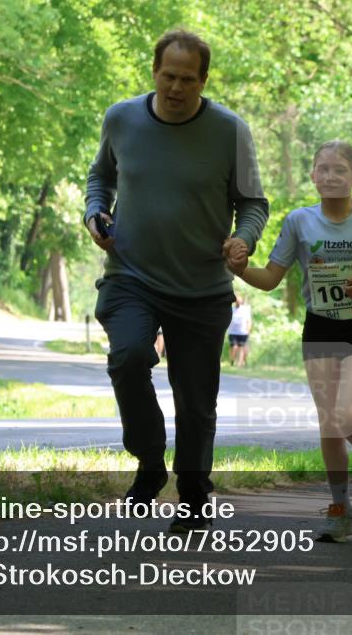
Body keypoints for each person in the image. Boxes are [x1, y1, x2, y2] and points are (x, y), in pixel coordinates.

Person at [84, 29, 269, 534]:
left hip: (202, 288)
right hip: (131, 274)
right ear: (154, 73)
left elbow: (253, 203)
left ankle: (192, 494)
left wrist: (244, 239)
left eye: (188, 79)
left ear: (203, 80)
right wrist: (95, 213)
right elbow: (100, 177)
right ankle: (148, 463)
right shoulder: (121, 118)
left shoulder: (229, 130)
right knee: (128, 357)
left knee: (196, 401)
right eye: (169, 76)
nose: (176, 87)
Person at [238, 140, 352, 542]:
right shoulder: (299, 222)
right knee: (330, 425)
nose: (331, 176)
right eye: (323, 169)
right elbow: (269, 278)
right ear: (313, 176)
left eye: (340, 170)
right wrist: (239, 268)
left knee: (348, 416)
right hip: (320, 328)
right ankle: (340, 511)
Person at [227, 294, 252, 367]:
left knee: (241, 347)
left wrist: (248, 330)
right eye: (237, 300)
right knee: (234, 347)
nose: (238, 302)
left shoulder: (245, 309)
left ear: (241, 301)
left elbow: (249, 321)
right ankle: (232, 360)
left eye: (239, 300)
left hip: (243, 332)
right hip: (232, 332)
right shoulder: (231, 308)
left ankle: (240, 363)